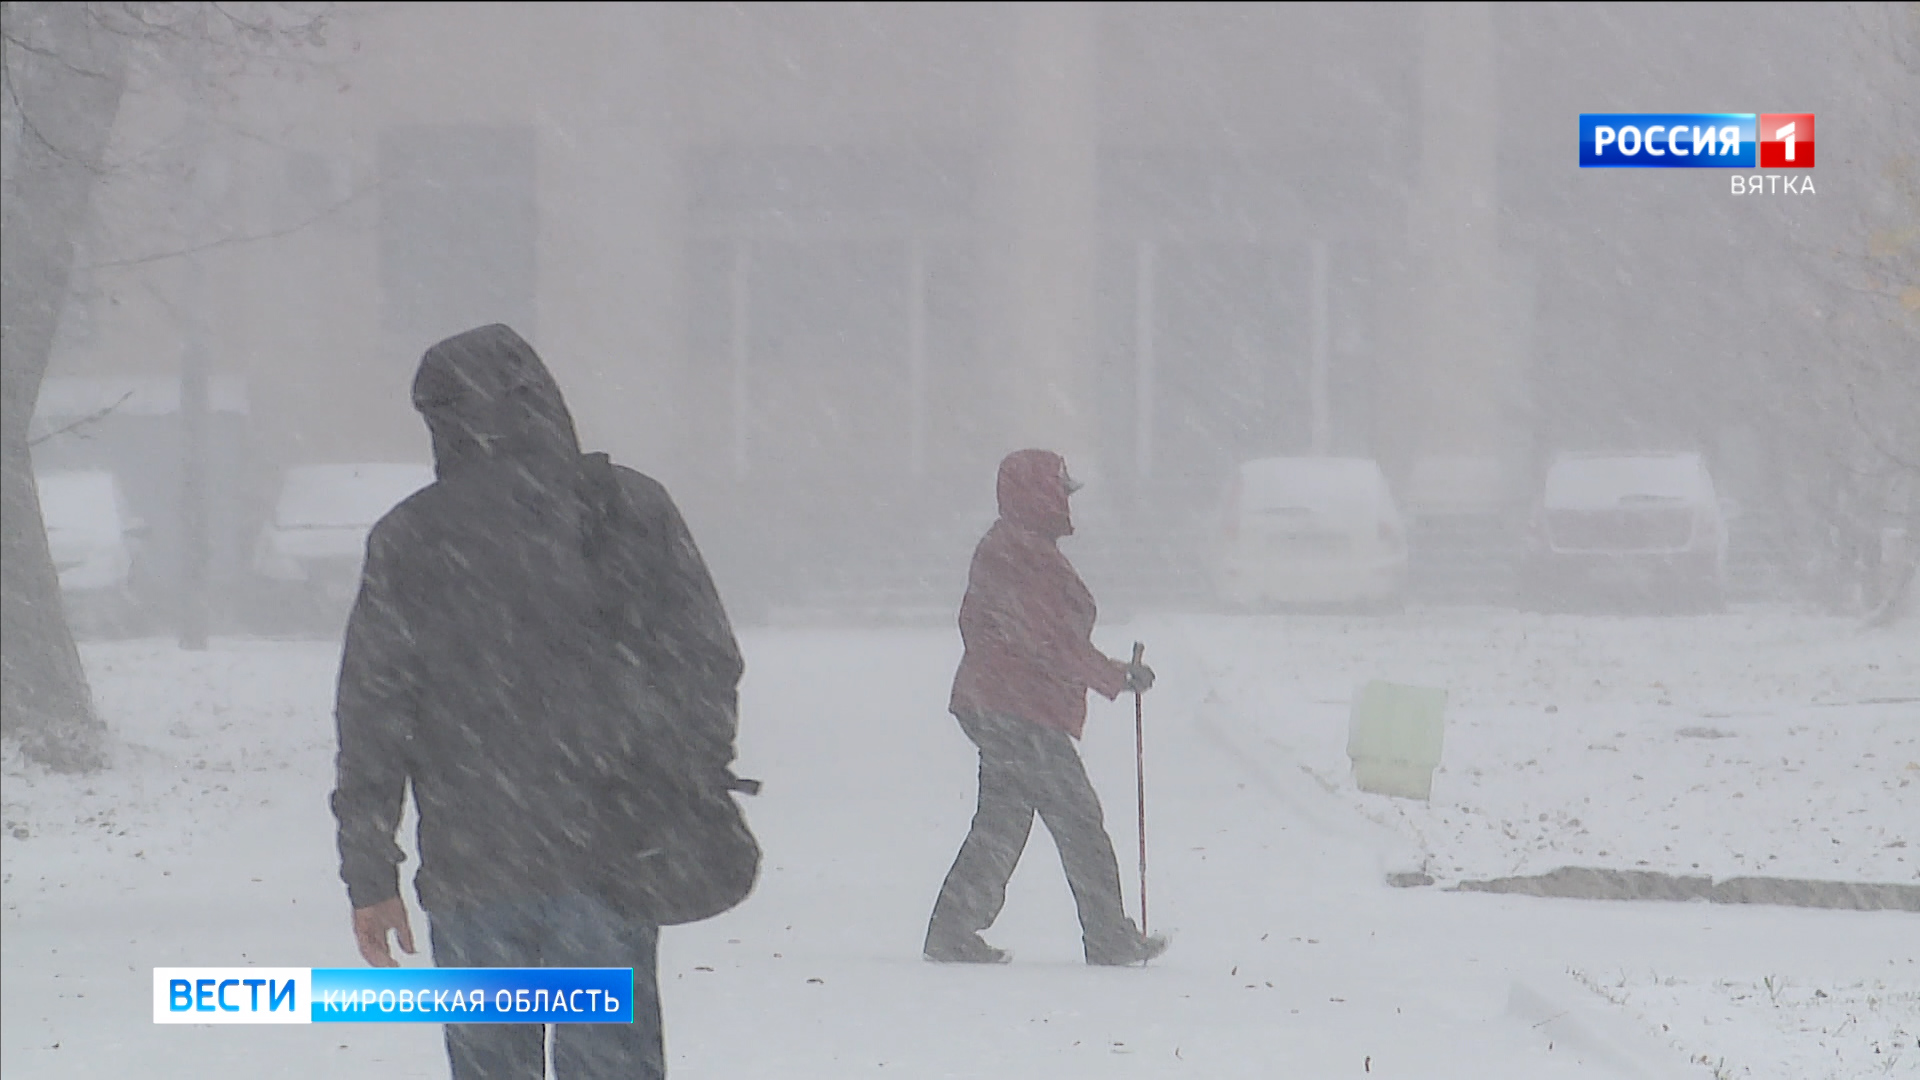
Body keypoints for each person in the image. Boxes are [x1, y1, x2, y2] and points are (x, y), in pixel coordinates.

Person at [330, 324, 742, 1079]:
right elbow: (706, 663)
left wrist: (371, 875)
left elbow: (373, 715)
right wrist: (681, 782)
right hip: (613, 850)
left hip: (472, 864)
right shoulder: (627, 507)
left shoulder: (413, 537)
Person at [924, 448, 1166, 966]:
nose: (1066, 500)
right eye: (1060, 489)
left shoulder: (1018, 549)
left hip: (1002, 704)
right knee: (1078, 819)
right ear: (1038, 494)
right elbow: (1046, 640)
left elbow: (1037, 637)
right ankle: (1106, 935)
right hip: (1016, 710)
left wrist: (1108, 672)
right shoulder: (1017, 553)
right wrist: (1112, 675)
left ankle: (952, 929)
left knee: (1003, 823)